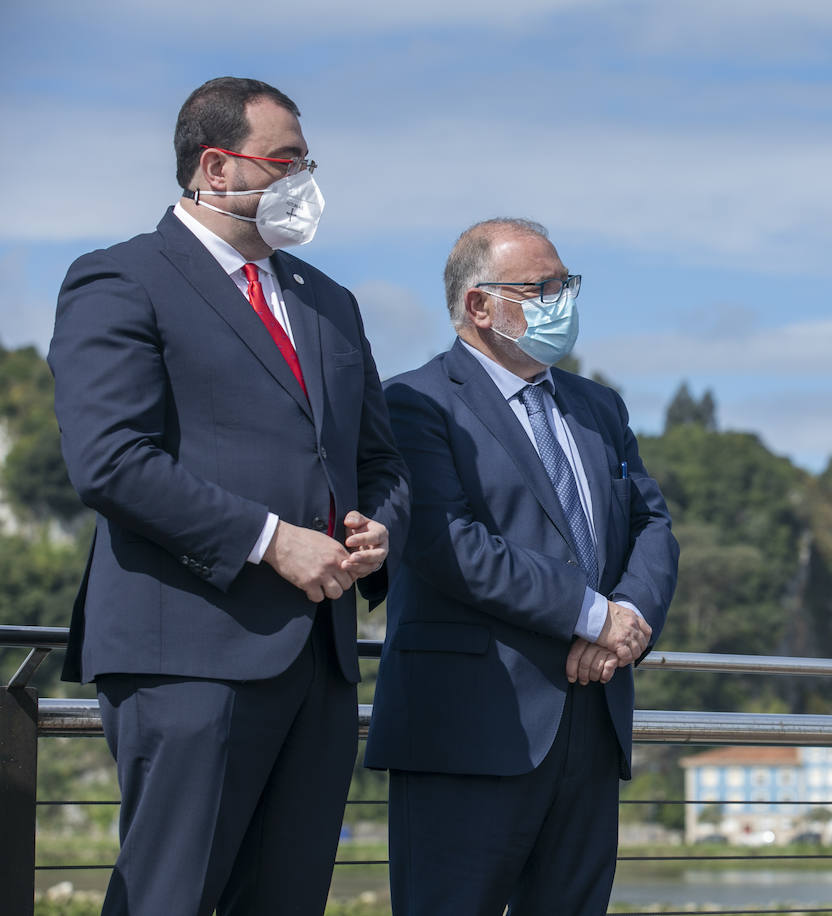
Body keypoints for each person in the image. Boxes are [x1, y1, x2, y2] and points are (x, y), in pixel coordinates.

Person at [47, 77, 409, 916]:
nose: (303, 182)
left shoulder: (331, 302)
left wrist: (379, 529)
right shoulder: (120, 279)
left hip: (319, 665)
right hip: (188, 656)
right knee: (168, 898)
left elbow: (381, 460)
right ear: (215, 167)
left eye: (306, 162)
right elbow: (110, 459)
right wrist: (271, 539)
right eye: (284, 162)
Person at [364, 218, 679, 915]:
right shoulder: (415, 403)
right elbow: (449, 544)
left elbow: (652, 525)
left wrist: (630, 619)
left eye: (566, 285)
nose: (560, 302)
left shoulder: (599, 405)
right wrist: (596, 616)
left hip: (590, 726)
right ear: (479, 306)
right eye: (540, 288)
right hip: (468, 727)